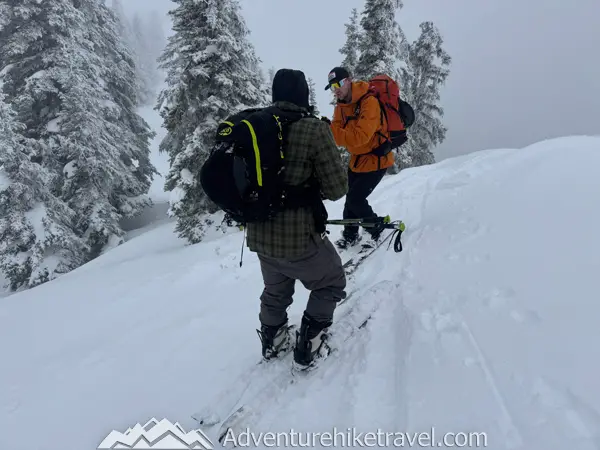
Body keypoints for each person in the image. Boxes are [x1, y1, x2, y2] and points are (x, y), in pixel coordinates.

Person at [245, 68, 349, 367]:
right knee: (330, 282)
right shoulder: (314, 129)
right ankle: (309, 343)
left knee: (276, 290)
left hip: (259, 235)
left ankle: (273, 340)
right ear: (303, 96)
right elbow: (337, 188)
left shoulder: (255, 125)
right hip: (299, 238)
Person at [325, 67, 393, 249]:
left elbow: (360, 137)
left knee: (356, 199)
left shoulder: (369, 102)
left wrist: (331, 131)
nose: (336, 89)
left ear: (349, 80)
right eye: (333, 87)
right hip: (357, 160)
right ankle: (350, 234)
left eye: (338, 84)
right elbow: (342, 136)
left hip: (377, 160)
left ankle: (376, 227)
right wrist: (336, 131)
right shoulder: (341, 106)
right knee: (351, 198)